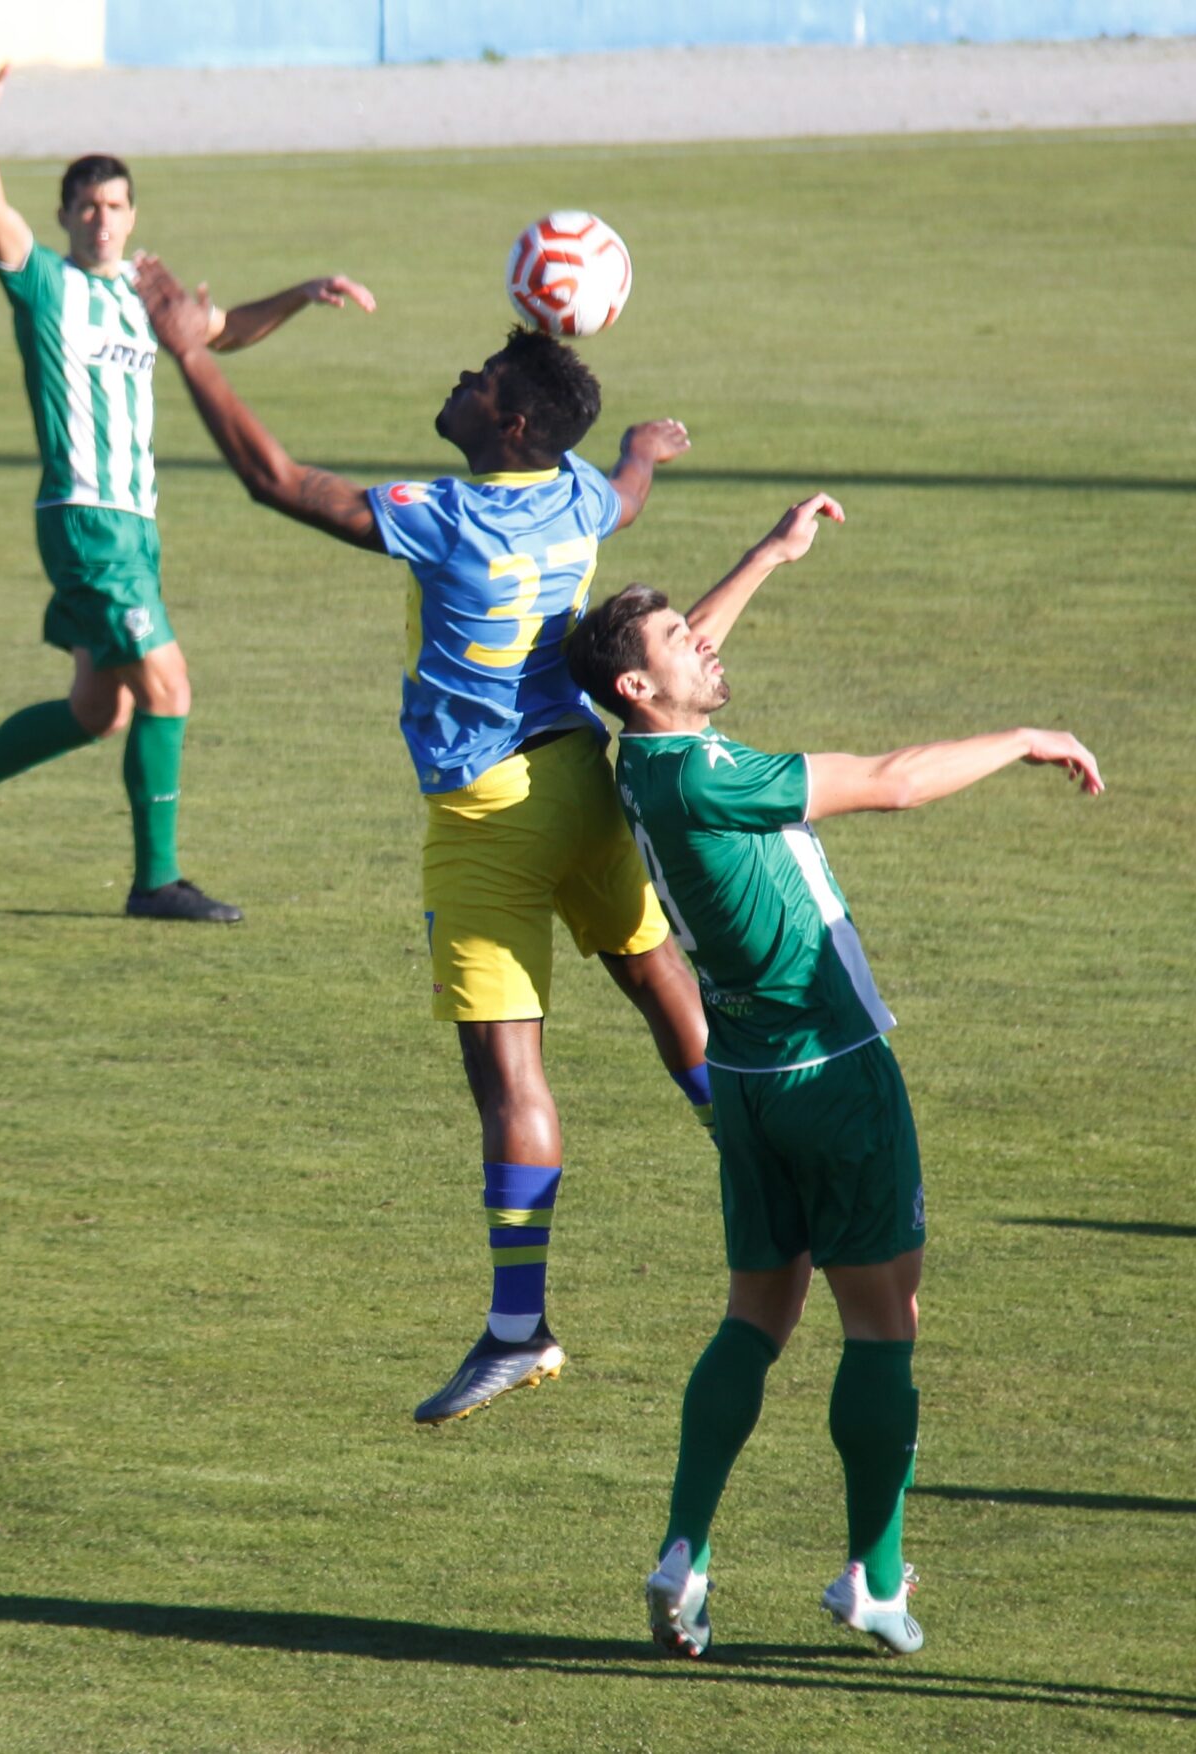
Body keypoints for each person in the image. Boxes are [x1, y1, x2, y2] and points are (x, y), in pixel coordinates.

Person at [133, 254, 719, 1425]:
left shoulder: (444, 519)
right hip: (584, 786)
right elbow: (625, 491)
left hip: (488, 818)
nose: (459, 376)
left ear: (505, 422)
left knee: (509, 1073)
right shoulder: (572, 498)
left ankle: (517, 1327)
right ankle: (786, 1168)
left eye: (479, 373)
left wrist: (187, 347)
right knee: (665, 992)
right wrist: (646, 447)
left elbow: (276, 478)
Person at [560, 556, 1103, 1660]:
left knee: (755, 1314)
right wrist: (1023, 739)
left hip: (748, 1084)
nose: (702, 642)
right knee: (882, 1322)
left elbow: (673, 660)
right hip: (836, 1070)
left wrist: (766, 554)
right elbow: (895, 778)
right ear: (637, 687)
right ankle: (876, 1576)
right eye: (677, 640)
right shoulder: (711, 772)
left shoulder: (637, 762)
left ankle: (684, 1550)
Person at [0, 31, 377, 922]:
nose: (103, 218)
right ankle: (155, 881)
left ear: (132, 216)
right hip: (87, 518)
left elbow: (220, 331)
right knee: (170, 685)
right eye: (87, 205)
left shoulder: (141, 298)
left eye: (117, 205)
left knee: (100, 710)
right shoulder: (45, 285)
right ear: (68, 215)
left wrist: (301, 294)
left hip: (135, 527)